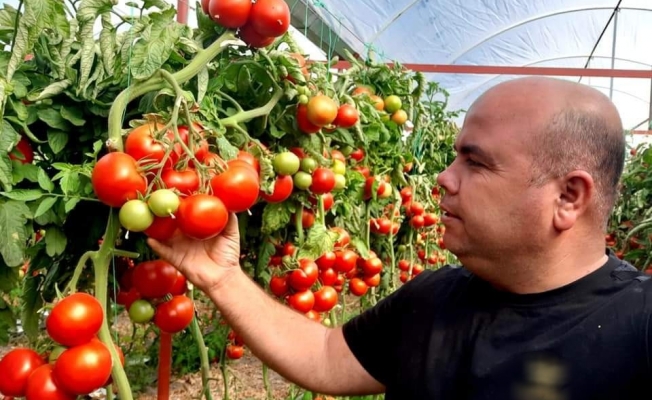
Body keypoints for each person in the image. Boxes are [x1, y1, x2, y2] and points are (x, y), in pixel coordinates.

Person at [148, 76, 650, 400]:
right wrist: (224, 278)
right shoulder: (434, 298)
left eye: (475, 162)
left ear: (568, 197)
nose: (444, 178)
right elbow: (326, 358)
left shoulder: (639, 329)